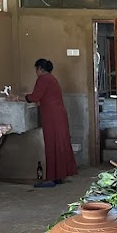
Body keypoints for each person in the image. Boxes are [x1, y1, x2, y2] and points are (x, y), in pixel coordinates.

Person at [24, 59, 77, 188]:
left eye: (36, 70)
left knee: (52, 145)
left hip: (52, 116)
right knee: (59, 144)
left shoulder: (43, 79)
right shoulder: (51, 78)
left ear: (40, 69)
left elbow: (35, 97)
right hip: (58, 115)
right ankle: (58, 175)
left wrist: (20, 98)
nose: (36, 72)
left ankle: (51, 178)